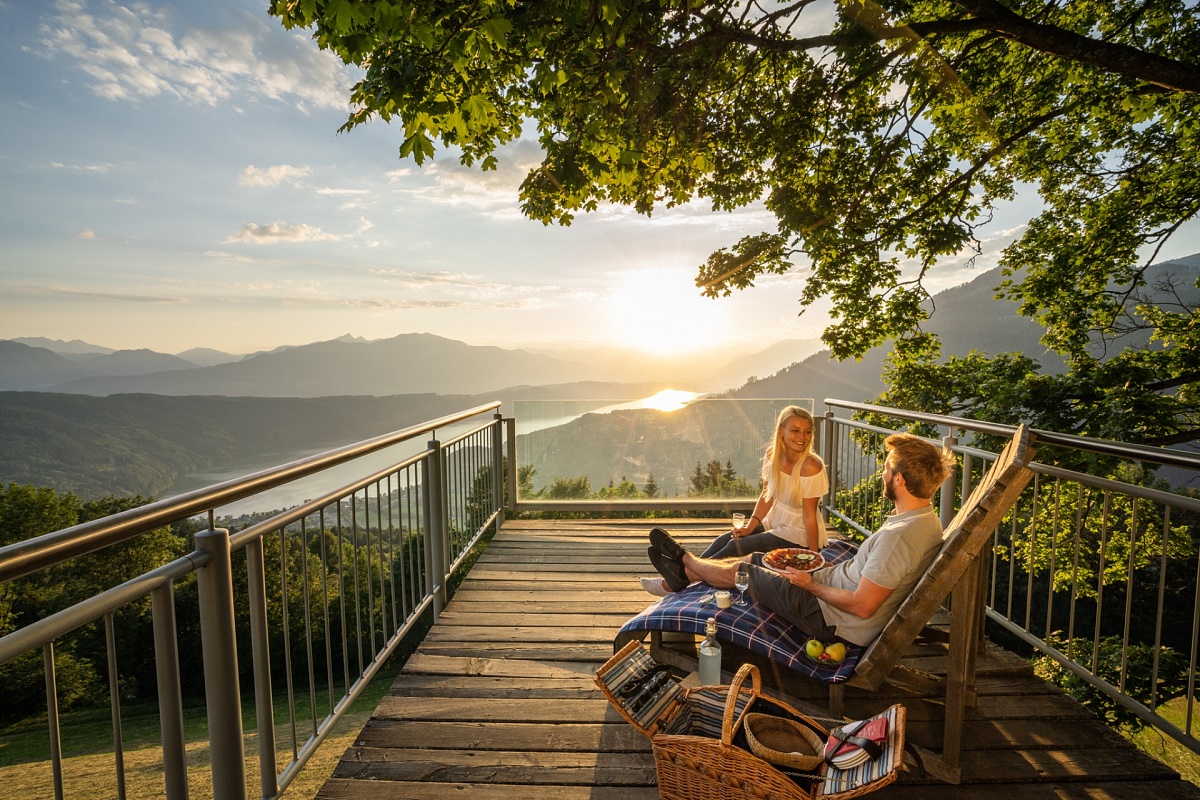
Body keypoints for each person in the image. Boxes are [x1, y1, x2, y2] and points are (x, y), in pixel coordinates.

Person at [644, 432, 955, 647]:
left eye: (887, 469)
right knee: (753, 560)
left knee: (743, 572)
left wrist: (811, 586)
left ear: (899, 479)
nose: (882, 473)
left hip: (827, 617)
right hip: (827, 592)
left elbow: (862, 607)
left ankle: (683, 561)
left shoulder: (899, 540)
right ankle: (682, 573)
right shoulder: (925, 520)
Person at [639, 405, 829, 596]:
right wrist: (750, 526)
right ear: (781, 430)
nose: (802, 437)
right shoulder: (773, 455)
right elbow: (767, 495)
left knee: (734, 547)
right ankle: (682, 577)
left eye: (807, 432)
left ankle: (678, 578)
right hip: (775, 519)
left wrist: (814, 558)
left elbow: (809, 515)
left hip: (799, 532)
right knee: (726, 539)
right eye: (795, 430)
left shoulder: (811, 466)